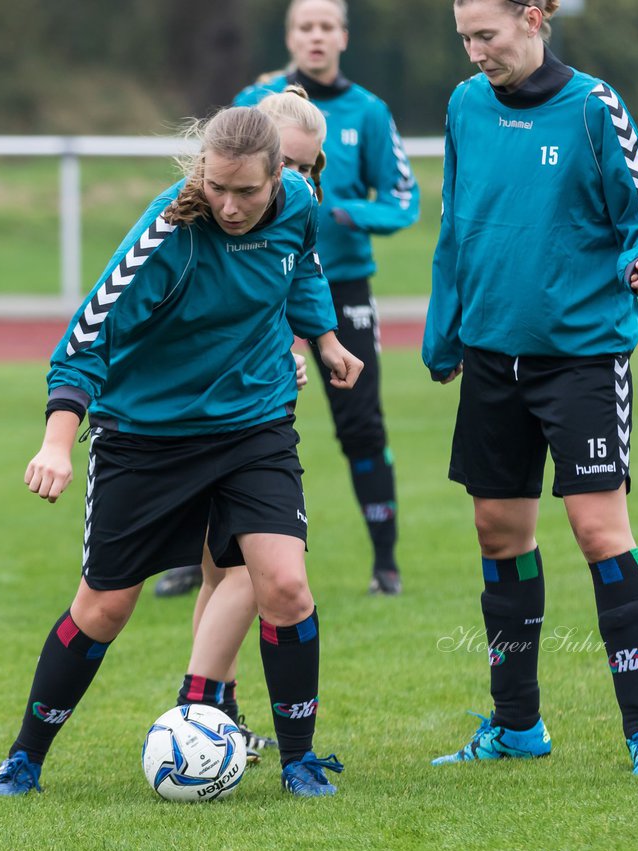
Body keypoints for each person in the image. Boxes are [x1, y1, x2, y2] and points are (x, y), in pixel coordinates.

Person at [0, 104, 360, 798]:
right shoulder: (169, 233)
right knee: (104, 609)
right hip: (147, 438)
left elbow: (302, 266)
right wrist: (57, 443)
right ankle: (25, 758)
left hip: (254, 426)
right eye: (216, 186)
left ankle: (300, 763)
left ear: (279, 174)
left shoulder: (299, 202)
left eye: (246, 191)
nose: (229, 204)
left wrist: (326, 339)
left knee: (284, 585)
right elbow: (85, 338)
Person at [422, 0, 638, 775]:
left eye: (487, 35)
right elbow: (454, 222)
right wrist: (445, 328)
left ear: (534, 18)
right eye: (464, 37)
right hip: (493, 357)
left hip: (582, 360)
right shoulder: (466, 105)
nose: (474, 52)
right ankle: (517, 726)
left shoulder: (594, 107)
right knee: (499, 536)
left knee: (601, 534)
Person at [154, 0, 420, 598]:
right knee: (223, 419)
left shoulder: (369, 112)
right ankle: (194, 560)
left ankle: (386, 563)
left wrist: (345, 213)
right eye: (306, 26)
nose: (316, 36)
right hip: (258, 285)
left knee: (360, 426)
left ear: (344, 37)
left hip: (341, 286)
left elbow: (406, 199)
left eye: (328, 26)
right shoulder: (255, 102)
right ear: (290, 35)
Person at [172, 86, 329, 766]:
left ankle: (212, 716)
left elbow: (287, 288)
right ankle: (197, 714)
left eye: (307, 168)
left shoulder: (293, 210)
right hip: (217, 416)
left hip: (256, 408)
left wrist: (308, 346)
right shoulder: (209, 215)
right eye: (288, 167)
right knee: (238, 573)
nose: (297, 181)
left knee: (224, 571)